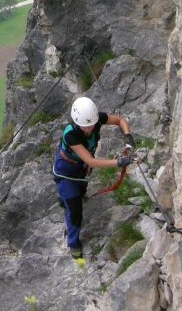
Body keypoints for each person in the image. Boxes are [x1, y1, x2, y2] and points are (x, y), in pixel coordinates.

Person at [53, 96, 136, 258]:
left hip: (82, 170)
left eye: (91, 125)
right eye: (85, 126)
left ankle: (67, 201)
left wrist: (128, 137)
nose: (89, 129)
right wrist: (118, 162)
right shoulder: (71, 135)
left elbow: (120, 121)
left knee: (81, 192)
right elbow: (91, 160)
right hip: (66, 172)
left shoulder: (96, 119)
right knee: (75, 209)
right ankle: (73, 243)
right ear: (77, 123)